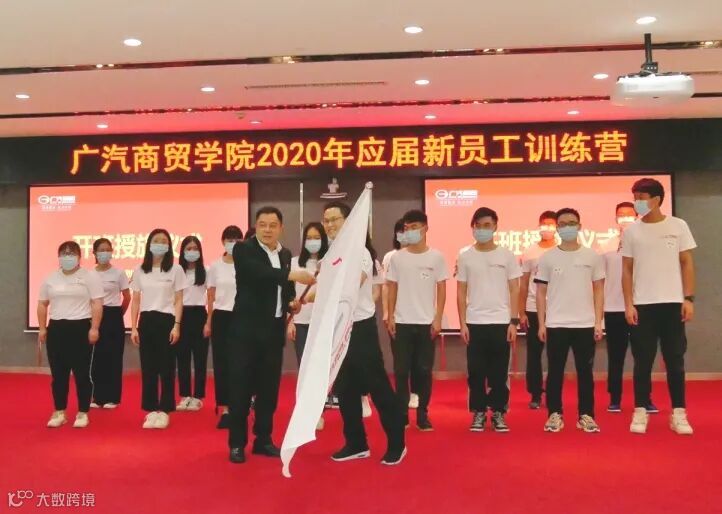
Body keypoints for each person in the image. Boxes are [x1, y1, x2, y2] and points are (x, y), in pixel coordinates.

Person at [312, 202, 407, 465]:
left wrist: (318, 292)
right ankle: (356, 443)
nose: (330, 225)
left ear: (349, 222)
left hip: (360, 328)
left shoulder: (360, 252)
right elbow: (322, 288)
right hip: (337, 328)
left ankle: (397, 443)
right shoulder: (331, 254)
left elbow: (350, 287)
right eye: (326, 220)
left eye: (335, 219)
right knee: (345, 388)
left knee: (377, 386)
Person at [227, 207, 315, 464]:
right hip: (245, 333)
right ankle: (237, 444)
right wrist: (291, 274)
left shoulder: (285, 254)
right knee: (241, 389)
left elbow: (286, 288)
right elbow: (257, 273)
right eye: (262, 224)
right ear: (256, 226)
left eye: (272, 225)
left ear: (281, 228)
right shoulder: (243, 250)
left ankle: (263, 439)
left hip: (273, 333)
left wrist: (291, 302)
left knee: (269, 390)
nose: (267, 229)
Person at [622, 178, 696, 435]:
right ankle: (640, 411)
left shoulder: (678, 225)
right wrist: (628, 304)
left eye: (641, 198)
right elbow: (627, 270)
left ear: (656, 199)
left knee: (675, 360)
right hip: (643, 305)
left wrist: (689, 298)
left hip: (673, 304)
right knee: (642, 361)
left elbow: (687, 262)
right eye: (635, 198)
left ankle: (679, 413)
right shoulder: (631, 232)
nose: (637, 203)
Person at [536, 208, 605, 433]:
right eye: (563, 224)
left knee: (585, 372)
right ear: (557, 227)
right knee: (555, 371)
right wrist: (541, 323)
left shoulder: (592, 256)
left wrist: (598, 321)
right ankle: (554, 414)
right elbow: (540, 293)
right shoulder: (547, 257)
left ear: (579, 226)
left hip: (585, 323)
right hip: (556, 324)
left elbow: (598, 290)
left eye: (572, 223)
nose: (568, 227)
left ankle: (586, 415)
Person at [457, 207, 521, 433]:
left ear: (495, 227)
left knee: (499, 372)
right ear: (472, 228)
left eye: (487, 225)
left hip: (501, 322)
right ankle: (479, 411)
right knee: (476, 372)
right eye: (478, 226)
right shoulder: (465, 256)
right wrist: (462, 324)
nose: (482, 230)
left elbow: (515, 289)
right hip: (475, 322)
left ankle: (499, 412)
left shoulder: (506, 255)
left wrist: (513, 321)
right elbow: (461, 291)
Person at [386, 209, 449, 431]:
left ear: (425, 228)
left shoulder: (436, 257)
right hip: (402, 322)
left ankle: (423, 413)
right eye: (407, 228)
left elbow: (441, 289)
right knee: (401, 371)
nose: (410, 232)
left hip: (426, 323)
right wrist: (390, 315)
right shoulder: (397, 258)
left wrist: (438, 318)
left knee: (423, 371)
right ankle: (402, 414)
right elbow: (391, 288)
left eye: (414, 227)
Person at [38, 241, 104, 428]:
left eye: (72, 253)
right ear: (59, 257)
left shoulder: (89, 277)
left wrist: (94, 328)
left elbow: (97, 303)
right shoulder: (50, 278)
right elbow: (42, 303)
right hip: (57, 328)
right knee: (59, 374)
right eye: (64, 253)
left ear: (79, 256)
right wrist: (42, 328)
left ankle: (83, 412)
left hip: (80, 328)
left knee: (82, 373)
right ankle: (59, 411)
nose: (68, 256)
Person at [600, 203, 658, 414]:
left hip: (640, 307)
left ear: (636, 216)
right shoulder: (605, 246)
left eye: (628, 215)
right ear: (615, 218)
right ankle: (615, 398)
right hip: (613, 308)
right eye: (620, 215)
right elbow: (599, 280)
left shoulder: (645, 241)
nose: (624, 218)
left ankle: (644, 399)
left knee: (643, 356)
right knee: (615, 356)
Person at [130, 229, 185, 430]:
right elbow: (136, 300)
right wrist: (134, 327)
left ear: (169, 246)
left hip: (167, 320)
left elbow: (179, 300)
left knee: (167, 367)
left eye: (164, 241)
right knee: (148, 367)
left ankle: (165, 409)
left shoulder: (175, 269)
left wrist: (177, 325)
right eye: (156, 240)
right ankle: (151, 409)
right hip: (146, 321)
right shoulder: (140, 270)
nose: (160, 244)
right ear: (149, 244)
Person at [287, 222, 329, 429]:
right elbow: (289, 294)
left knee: (319, 369)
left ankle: (318, 411)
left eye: (317, 238)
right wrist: (291, 322)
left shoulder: (330, 262)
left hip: (323, 323)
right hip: (301, 322)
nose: (313, 242)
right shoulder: (295, 263)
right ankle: (304, 410)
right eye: (309, 238)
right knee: (304, 368)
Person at [519, 210, 558, 409]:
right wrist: (521, 312)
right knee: (534, 354)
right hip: (533, 308)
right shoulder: (530, 252)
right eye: (544, 224)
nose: (547, 228)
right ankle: (535, 393)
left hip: (557, 308)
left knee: (555, 354)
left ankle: (553, 392)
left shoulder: (562, 250)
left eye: (551, 225)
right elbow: (523, 284)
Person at [206, 225, 243, 429]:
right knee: (222, 364)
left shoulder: (246, 263)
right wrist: (209, 321)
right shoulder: (215, 266)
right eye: (229, 240)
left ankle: (241, 406)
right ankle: (226, 409)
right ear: (223, 242)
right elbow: (211, 296)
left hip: (242, 316)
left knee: (241, 362)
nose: (233, 243)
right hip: (221, 316)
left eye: (237, 240)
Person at [382, 219, 420, 410]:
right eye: (401, 231)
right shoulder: (391, 257)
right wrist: (387, 312)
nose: (404, 235)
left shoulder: (422, 255)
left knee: (418, 361)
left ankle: (415, 393)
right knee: (400, 360)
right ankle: (402, 395)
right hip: (397, 316)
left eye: (408, 230)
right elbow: (386, 286)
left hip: (418, 315)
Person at [90, 238, 130, 409]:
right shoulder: (90, 274)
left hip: (113, 316)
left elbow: (127, 297)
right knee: (97, 358)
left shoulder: (119, 273)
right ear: (94, 253)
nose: (105, 253)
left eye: (108, 249)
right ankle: (97, 397)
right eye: (101, 250)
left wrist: (118, 314)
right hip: (95, 317)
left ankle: (112, 397)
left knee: (114, 357)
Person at [176, 236, 209, 412]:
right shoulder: (177, 271)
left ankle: (198, 396)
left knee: (200, 358)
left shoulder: (206, 271)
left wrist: (209, 322)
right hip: (181, 315)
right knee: (182, 358)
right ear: (182, 251)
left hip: (199, 315)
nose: (192, 252)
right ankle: (185, 395)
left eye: (195, 248)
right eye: (188, 248)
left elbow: (212, 297)